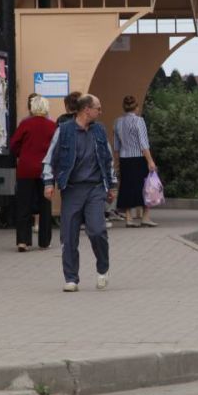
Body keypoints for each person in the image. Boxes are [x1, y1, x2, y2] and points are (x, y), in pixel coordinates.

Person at [43, 94, 116, 292]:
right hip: (72, 189)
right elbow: (50, 158)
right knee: (68, 235)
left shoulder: (99, 131)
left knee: (97, 230)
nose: (100, 112)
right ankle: (71, 278)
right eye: (98, 108)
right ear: (86, 110)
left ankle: (103, 268)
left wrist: (112, 185)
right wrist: (48, 182)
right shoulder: (64, 131)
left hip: (94, 188)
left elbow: (107, 159)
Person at [9, 95, 56, 252]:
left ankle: (23, 241)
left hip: (26, 169)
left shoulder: (25, 124)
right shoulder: (52, 126)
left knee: (24, 205)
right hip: (45, 170)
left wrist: (21, 155)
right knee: (45, 206)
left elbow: (14, 144)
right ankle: (44, 241)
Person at [114, 95, 158, 228]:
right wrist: (150, 161)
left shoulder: (117, 122)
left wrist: (116, 162)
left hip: (124, 159)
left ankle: (128, 218)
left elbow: (116, 145)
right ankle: (145, 217)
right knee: (146, 186)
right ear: (136, 107)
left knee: (126, 186)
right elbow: (144, 143)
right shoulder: (139, 121)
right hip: (139, 158)